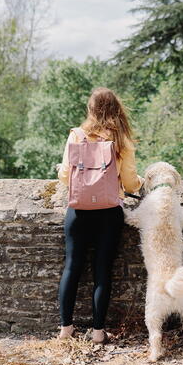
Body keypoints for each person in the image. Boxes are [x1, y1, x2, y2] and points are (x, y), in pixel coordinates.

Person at [56, 87, 144, 343]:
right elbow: (129, 183)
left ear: (90, 109)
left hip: (78, 211)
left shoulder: (76, 135)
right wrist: (138, 181)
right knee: (102, 271)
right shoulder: (121, 140)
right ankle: (97, 332)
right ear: (117, 108)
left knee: (72, 267)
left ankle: (65, 329)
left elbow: (64, 177)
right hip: (108, 213)